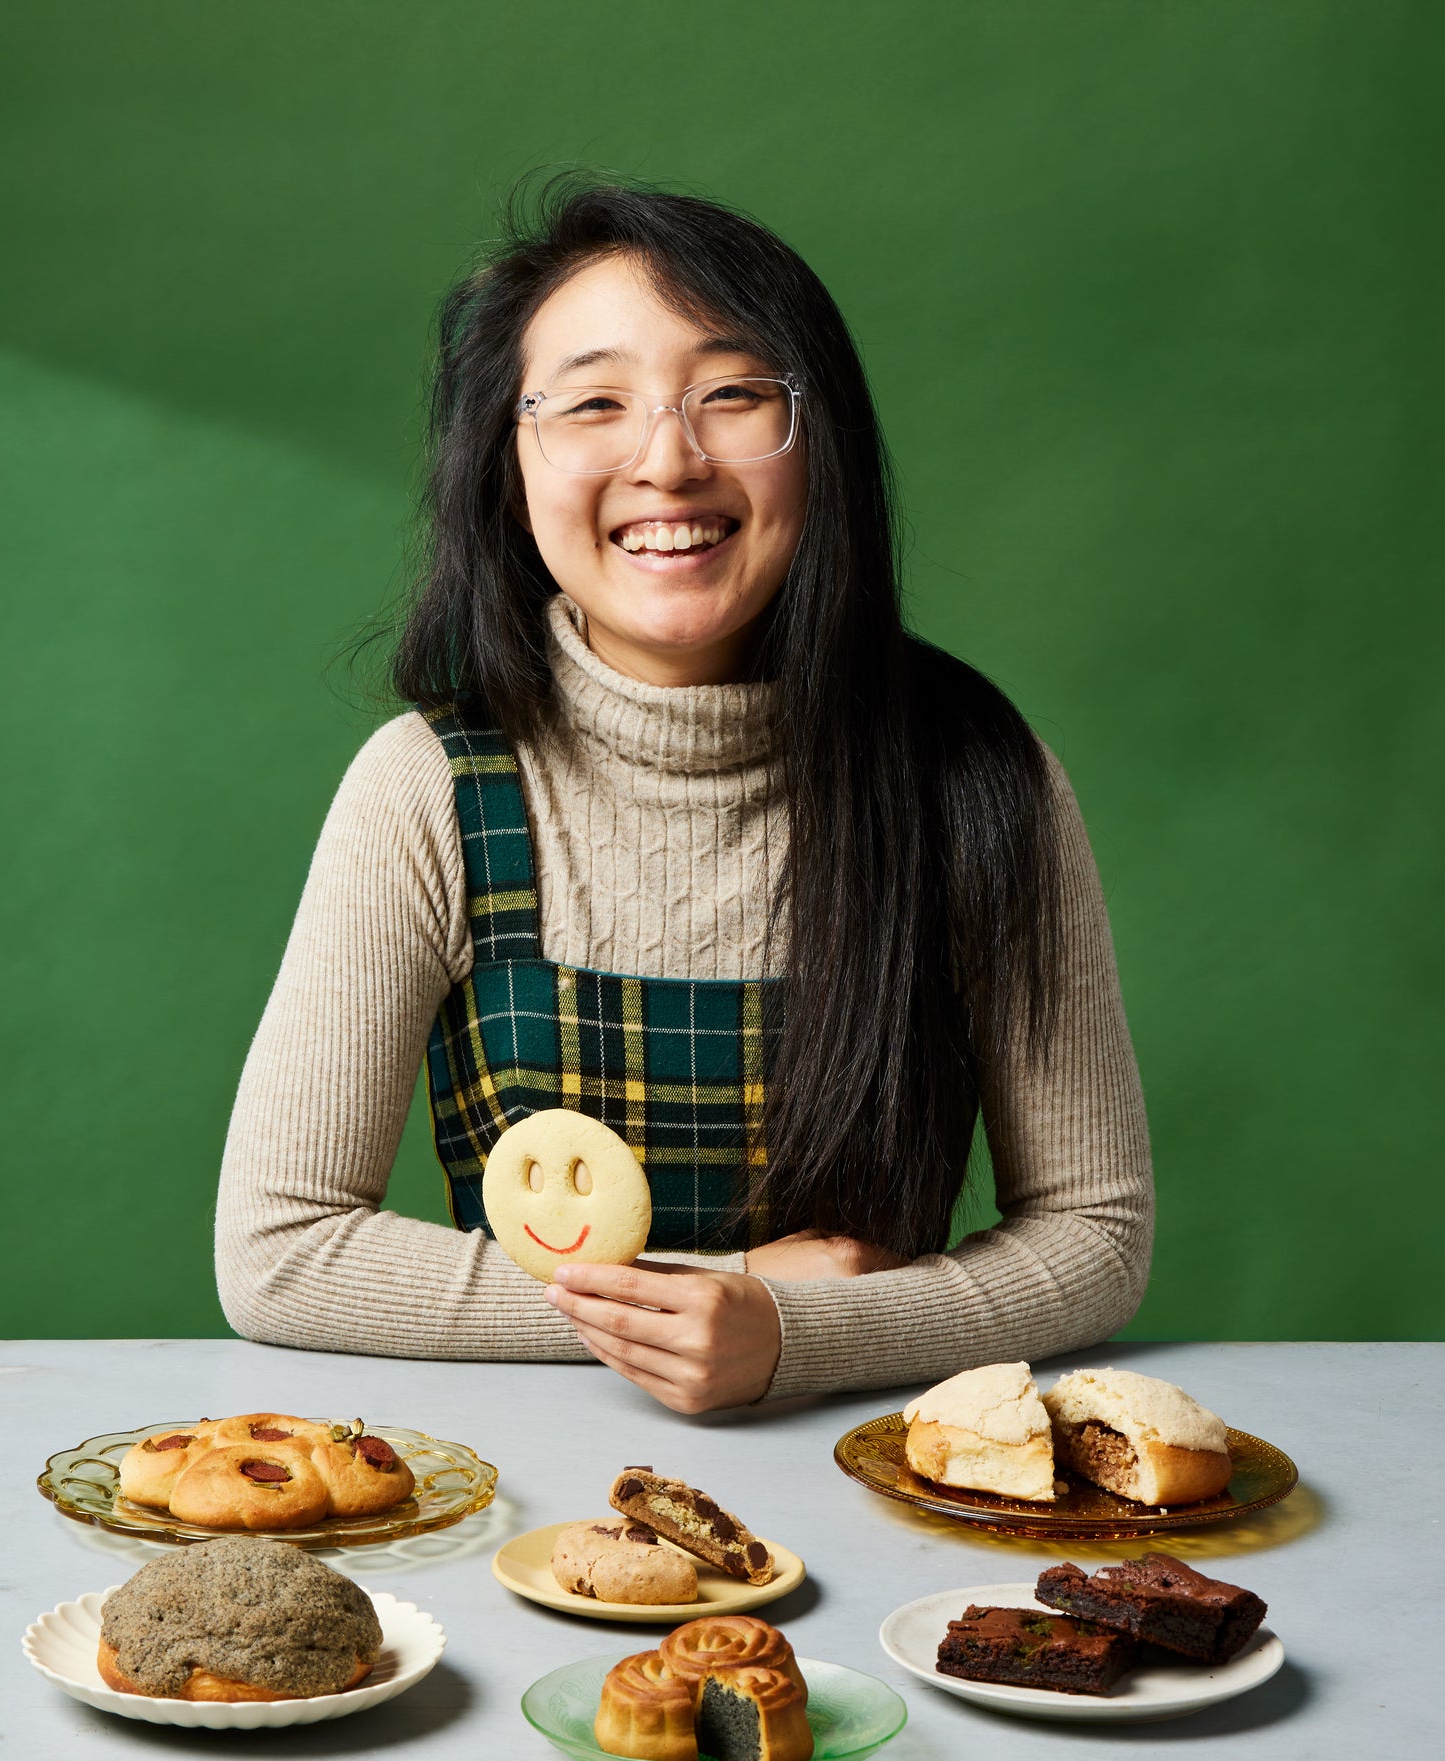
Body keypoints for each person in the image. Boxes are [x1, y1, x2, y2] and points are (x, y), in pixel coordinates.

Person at [215, 178, 1153, 1412]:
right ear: (507, 462)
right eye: (595, 403)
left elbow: (1095, 1237)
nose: (668, 461)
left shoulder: (976, 776)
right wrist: (741, 1294)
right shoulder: (431, 789)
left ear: (819, 442)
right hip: (533, 1478)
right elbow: (280, 1253)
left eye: (732, 394)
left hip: (873, 1468)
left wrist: (806, 1341)